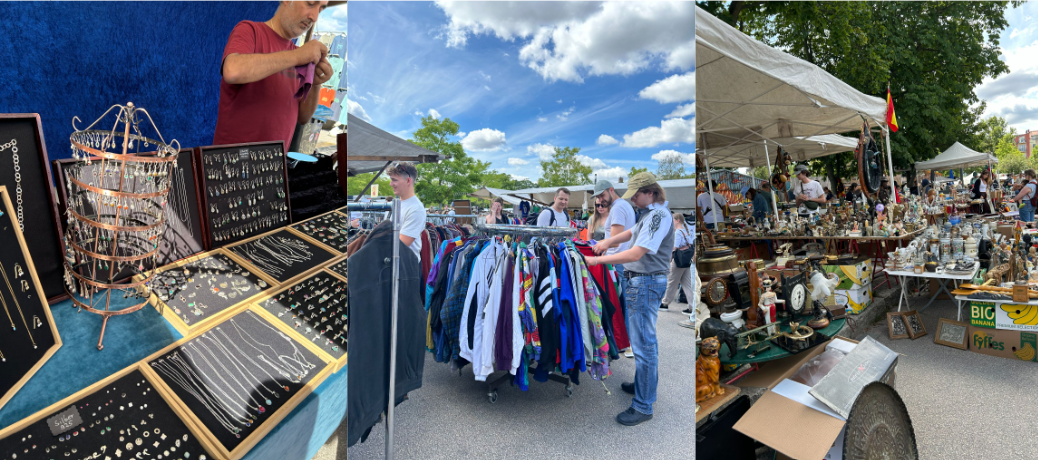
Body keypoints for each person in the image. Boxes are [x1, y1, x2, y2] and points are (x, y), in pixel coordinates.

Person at [587, 173, 675, 426]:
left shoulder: (657, 215)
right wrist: (606, 243)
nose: (633, 199)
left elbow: (636, 252)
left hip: (645, 282)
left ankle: (643, 405)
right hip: (645, 282)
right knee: (646, 342)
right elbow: (628, 235)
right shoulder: (651, 214)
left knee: (643, 345)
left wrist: (597, 259)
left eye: (637, 194)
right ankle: (643, 387)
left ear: (651, 192)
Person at [214, 1, 333, 148]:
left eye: (320, 9)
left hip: (275, 165)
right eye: (310, 3)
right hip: (232, 162)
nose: (314, 17)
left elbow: (303, 117)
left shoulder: (300, 56)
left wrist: (316, 83)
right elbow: (232, 71)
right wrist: (297, 56)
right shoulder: (250, 30)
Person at [591, 179, 638, 357]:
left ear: (611, 190)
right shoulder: (623, 206)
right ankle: (626, 342)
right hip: (621, 261)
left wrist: (598, 248)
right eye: (598, 197)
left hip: (618, 262)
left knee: (620, 303)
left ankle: (624, 343)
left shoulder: (618, 208)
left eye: (603, 195)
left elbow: (616, 240)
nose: (601, 200)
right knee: (624, 302)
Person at [386, 162, 426, 258]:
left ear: (408, 181)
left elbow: (399, 245)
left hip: (405, 268)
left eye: (394, 180)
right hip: (395, 264)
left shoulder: (416, 209)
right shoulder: (397, 204)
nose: (391, 184)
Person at [662, 212, 696, 315]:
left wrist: (669, 259)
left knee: (671, 281)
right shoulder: (686, 231)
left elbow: (674, 247)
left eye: (673, 220)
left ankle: (665, 303)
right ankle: (691, 306)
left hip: (678, 260)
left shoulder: (677, 232)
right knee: (688, 284)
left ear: (677, 220)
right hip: (686, 261)